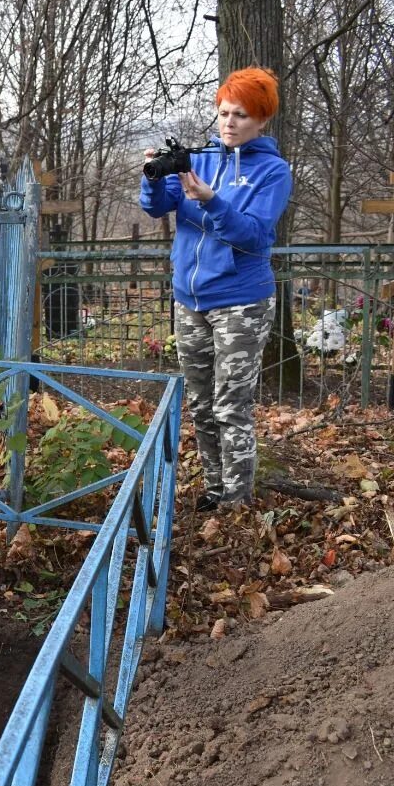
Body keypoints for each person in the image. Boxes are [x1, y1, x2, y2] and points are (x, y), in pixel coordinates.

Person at [140, 67, 292, 510]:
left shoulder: (272, 171)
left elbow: (254, 236)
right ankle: (213, 489)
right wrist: (152, 179)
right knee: (202, 405)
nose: (229, 123)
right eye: (224, 113)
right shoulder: (200, 157)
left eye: (241, 115)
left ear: (261, 120)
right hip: (191, 300)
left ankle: (237, 498)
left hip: (241, 303)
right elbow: (157, 207)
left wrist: (211, 200)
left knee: (232, 407)